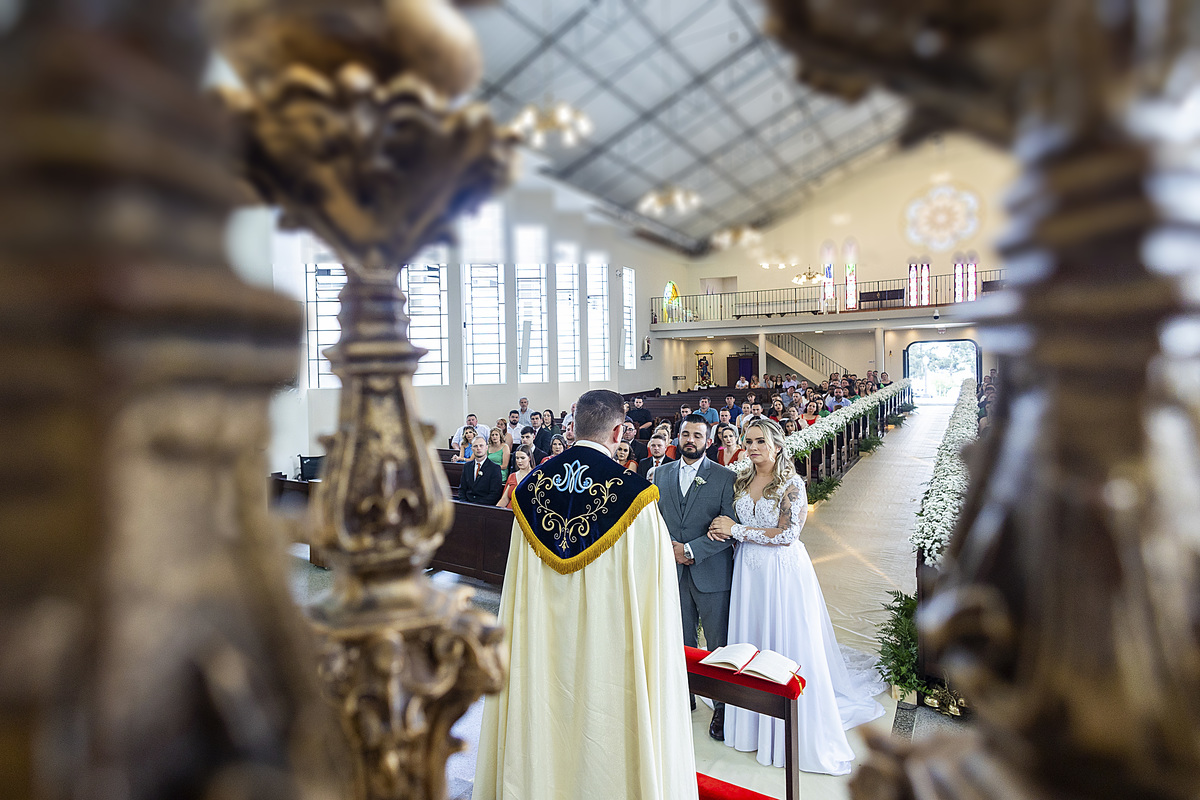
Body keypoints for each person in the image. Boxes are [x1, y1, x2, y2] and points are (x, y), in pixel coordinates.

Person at [475, 389, 697, 800]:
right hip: (611, 656)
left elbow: (517, 589)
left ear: (572, 427)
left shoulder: (530, 493)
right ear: (618, 431)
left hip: (541, 652)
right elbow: (657, 600)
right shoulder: (636, 501)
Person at [707, 419, 884, 775]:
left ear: (777, 445)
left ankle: (786, 722)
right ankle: (751, 724)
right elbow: (730, 518)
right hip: (749, 571)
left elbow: (787, 534)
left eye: (760, 441)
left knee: (784, 641)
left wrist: (736, 529)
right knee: (751, 641)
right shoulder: (741, 479)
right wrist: (720, 528)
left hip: (781, 572)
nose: (753, 447)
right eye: (748, 441)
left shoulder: (791, 484)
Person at [652, 414, 739, 743]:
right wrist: (668, 549)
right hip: (672, 572)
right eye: (686, 434)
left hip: (711, 571)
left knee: (718, 642)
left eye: (698, 435)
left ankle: (721, 705)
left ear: (708, 439)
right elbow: (653, 520)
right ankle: (685, 692)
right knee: (680, 637)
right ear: (678, 436)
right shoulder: (660, 473)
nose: (691, 440)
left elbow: (731, 527)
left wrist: (690, 549)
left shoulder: (725, 477)